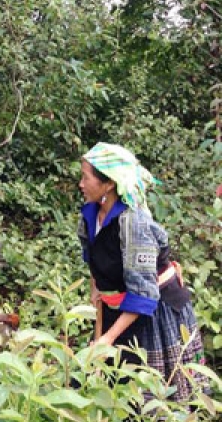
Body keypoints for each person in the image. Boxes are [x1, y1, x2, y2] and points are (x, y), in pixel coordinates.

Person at [77, 142, 209, 403]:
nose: (81, 184)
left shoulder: (132, 223)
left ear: (109, 184)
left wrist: (108, 338)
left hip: (154, 312)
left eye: (86, 177)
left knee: (154, 398)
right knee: (114, 389)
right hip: (119, 308)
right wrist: (97, 294)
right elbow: (94, 259)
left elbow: (144, 294)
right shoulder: (90, 216)